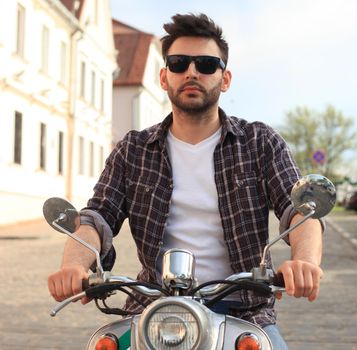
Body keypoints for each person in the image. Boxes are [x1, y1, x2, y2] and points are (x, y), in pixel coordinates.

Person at [48, 13, 324, 349]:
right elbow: (97, 217)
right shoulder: (134, 150)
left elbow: (299, 210)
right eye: (179, 63)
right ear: (164, 77)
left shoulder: (260, 142)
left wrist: (305, 263)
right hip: (154, 308)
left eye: (207, 64)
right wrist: (73, 266)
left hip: (244, 310)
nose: (191, 72)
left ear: (225, 79)